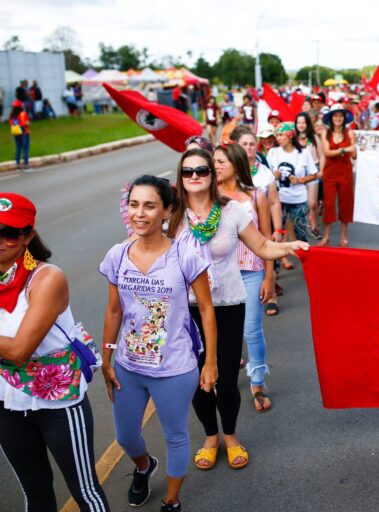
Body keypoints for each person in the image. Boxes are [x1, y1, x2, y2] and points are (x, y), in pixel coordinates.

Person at [168, 148, 307, 471]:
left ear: (212, 174)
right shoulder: (172, 214)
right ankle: (210, 437)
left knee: (225, 379)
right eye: (187, 172)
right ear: (180, 176)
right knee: (195, 379)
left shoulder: (232, 211)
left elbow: (261, 246)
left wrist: (290, 246)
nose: (194, 177)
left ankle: (230, 436)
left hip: (227, 305)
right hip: (185, 311)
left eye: (201, 170)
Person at [100, 176, 216, 511]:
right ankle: (143, 466)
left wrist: (210, 362)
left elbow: (206, 309)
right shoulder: (117, 255)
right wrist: (108, 359)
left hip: (175, 368)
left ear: (166, 210)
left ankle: (171, 501)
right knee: (124, 436)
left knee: (176, 436)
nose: (140, 213)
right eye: (134, 204)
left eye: (149, 205)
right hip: (128, 367)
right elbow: (113, 309)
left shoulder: (186, 254)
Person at [0, 192, 110, 511]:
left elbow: (20, 350)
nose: (1, 240)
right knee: (34, 493)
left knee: (84, 491)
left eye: (9, 232)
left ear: (28, 235)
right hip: (8, 398)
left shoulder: (47, 278)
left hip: (58, 400)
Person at [214, 142, 275, 412]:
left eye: (221, 161)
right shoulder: (207, 197)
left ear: (237, 165)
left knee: (251, 330)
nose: (214, 166)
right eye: (213, 161)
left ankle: (258, 382)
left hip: (251, 272)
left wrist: (269, 277)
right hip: (217, 276)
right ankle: (221, 379)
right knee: (220, 333)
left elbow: (265, 239)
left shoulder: (255, 197)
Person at [231, 124, 283, 317]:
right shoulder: (230, 172)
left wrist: (278, 230)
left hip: (262, 225)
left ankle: (271, 297)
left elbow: (274, 203)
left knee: (267, 255)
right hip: (238, 231)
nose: (249, 147)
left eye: (252, 144)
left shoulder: (264, 172)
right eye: (244, 144)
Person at [268, 122, 318, 267]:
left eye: (281, 134)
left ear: (290, 136)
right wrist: (274, 175)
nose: (278, 138)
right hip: (279, 200)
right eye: (277, 135)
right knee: (277, 233)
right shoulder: (273, 152)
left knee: (301, 232)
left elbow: (314, 175)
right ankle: (275, 268)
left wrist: (300, 180)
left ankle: (309, 264)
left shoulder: (303, 153)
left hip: (299, 199)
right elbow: (265, 174)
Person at [320, 104, 357, 247]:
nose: (338, 118)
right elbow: (327, 152)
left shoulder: (350, 133)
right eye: (335, 116)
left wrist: (355, 150)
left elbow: (354, 155)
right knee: (328, 204)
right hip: (330, 172)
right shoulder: (325, 133)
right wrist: (346, 149)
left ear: (344, 118)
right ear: (331, 118)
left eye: (340, 116)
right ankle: (326, 236)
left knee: (345, 203)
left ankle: (343, 236)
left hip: (345, 171)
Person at [296, 112, 325, 240]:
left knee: (312, 203)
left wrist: (322, 170)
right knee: (301, 202)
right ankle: (305, 225)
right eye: (299, 122)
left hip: (313, 172)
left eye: (303, 122)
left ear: (307, 124)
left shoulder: (314, 138)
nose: (301, 125)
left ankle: (314, 226)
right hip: (298, 173)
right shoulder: (293, 138)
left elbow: (322, 155)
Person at [9, 100, 30, 171]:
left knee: (18, 148)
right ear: (20, 106)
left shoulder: (12, 115)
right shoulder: (23, 114)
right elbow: (27, 123)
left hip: (16, 133)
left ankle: (17, 163)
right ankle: (26, 164)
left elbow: (11, 123)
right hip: (24, 133)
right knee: (25, 148)